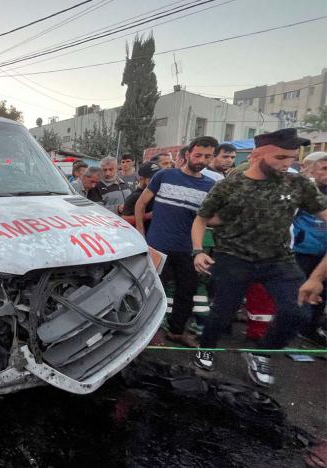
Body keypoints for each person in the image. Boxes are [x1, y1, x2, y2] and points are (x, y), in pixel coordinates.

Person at [192, 129, 327, 387]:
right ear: (257, 155)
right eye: (281, 157)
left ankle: (261, 352)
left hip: (279, 260)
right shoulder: (230, 184)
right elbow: (201, 218)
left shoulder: (297, 184)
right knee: (222, 313)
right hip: (233, 258)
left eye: (292, 157)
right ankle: (206, 346)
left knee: (299, 313)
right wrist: (198, 250)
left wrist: (317, 277)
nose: (288, 163)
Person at [135, 136, 218, 347]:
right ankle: (149, 333)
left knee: (186, 292)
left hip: (188, 249)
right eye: (198, 154)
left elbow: (211, 219)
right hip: (157, 246)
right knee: (151, 291)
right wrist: (141, 234)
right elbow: (141, 204)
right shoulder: (164, 175)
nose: (201, 159)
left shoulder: (211, 186)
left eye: (207, 156)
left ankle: (176, 331)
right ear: (187, 154)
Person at [292, 154, 327, 346]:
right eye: (324, 169)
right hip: (302, 250)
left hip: (324, 255)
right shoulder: (301, 191)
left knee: (321, 294)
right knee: (296, 291)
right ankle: (289, 327)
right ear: (310, 169)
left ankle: (310, 329)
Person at [121, 161, 161, 229]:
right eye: (152, 178)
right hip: (140, 237)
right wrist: (148, 216)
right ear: (141, 178)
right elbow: (124, 220)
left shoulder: (158, 193)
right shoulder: (134, 197)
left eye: (158, 176)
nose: (157, 180)